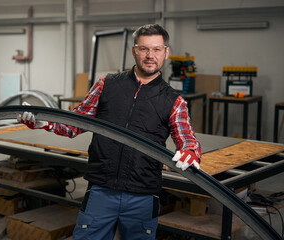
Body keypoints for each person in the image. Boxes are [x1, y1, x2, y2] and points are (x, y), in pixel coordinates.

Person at [17, 23, 201, 240]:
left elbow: (187, 138)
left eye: (156, 49)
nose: (150, 55)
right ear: (134, 51)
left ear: (166, 53)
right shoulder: (107, 84)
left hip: (142, 194)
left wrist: (191, 151)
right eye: (143, 49)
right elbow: (77, 122)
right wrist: (44, 123)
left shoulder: (173, 100)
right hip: (102, 190)